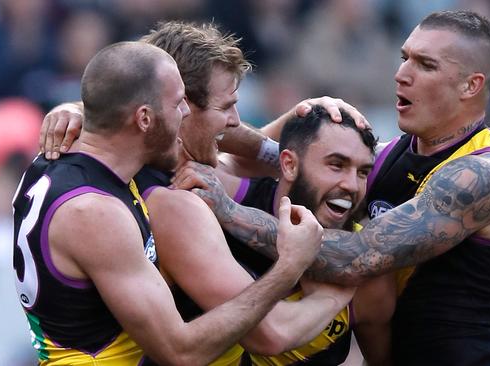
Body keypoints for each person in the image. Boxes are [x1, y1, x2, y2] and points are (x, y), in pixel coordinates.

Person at [176, 10, 490, 365]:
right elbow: (236, 143)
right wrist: (296, 120)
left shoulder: (483, 175)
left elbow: (357, 257)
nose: (402, 74)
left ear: (471, 85)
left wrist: (230, 211)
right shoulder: (385, 158)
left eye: (426, 65)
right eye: (404, 58)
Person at [37, 21, 361, 365]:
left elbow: (241, 147)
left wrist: (306, 119)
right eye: (226, 107)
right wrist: (333, 289)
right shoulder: (167, 203)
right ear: (170, 107)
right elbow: (267, 334)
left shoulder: (68, 159)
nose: (235, 120)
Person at [208, 105, 393, 365]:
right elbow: (187, 125)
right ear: (289, 164)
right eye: (336, 165)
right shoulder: (220, 198)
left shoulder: (369, 271)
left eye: (363, 172)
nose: (352, 185)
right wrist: (294, 113)